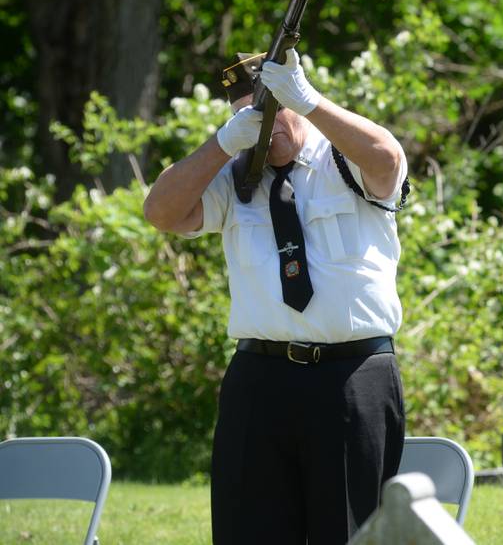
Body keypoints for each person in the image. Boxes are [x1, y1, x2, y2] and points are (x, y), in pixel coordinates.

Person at [143, 48, 408, 545]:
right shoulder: (236, 173)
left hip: (351, 378)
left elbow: (387, 160)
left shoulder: (343, 156)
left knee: (350, 534)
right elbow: (160, 211)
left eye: (271, 108)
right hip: (259, 379)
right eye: (248, 114)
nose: (264, 125)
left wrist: (308, 101)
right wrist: (224, 143)